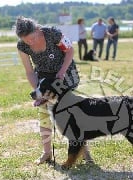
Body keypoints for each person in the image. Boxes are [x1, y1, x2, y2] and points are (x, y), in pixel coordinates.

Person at [15, 16, 93, 165]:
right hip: (44, 81)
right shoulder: (22, 46)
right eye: (26, 40)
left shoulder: (52, 34)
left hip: (65, 75)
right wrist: (39, 91)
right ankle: (47, 153)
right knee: (44, 114)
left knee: (71, 114)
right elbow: (30, 71)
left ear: (37, 30)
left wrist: (62, 73)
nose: (29, 42)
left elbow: (70, 51)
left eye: (31, 38)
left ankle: (83, 151)